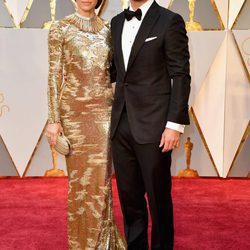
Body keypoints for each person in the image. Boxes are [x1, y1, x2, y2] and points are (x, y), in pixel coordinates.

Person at [110, 0, 191, 249]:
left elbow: (180, 74)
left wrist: (174, 125)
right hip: (120, 125)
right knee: (130, 200)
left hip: (155, 127)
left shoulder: (170, 20)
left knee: (158, 201)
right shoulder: (115, 22)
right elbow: (115, 72)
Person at [46, 0, 126, 249]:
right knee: (79, 183)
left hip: (103, 113)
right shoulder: (60, 28)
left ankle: (104, 242)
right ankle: (81, 243)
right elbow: (54, 75)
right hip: (73, 115)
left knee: (101, 181)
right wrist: (53, 119)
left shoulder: (110, 30)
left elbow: (115, 72)